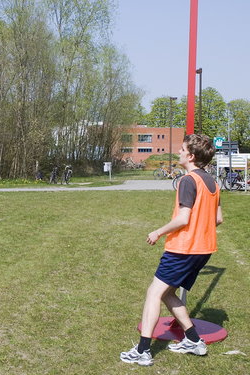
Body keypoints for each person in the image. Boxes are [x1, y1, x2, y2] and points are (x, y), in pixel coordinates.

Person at [120, 134, 223, 366]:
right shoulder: (213, 183)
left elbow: (184, 218)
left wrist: (158, 232)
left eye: (182, 149)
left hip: (183, 249)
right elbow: (218, 219)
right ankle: (194, 341)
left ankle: (142, 351)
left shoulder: (188, 180)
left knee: (154, 293)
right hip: (203, 250)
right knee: (167, 293)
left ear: (191, 156)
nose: (178, 151)